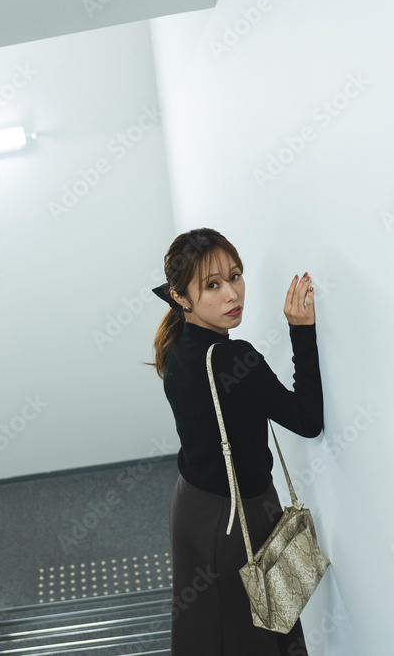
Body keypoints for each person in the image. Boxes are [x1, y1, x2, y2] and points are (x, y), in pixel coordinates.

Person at [144, 227, 324, 656]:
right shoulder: (233, 357)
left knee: (208, 627)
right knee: (257, 630)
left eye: (235, 276)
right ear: (180, 297)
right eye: (212, 285)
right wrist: (301, 330)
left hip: (193, 507)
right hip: (239, 518)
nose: (231, 294)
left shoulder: (175, 343)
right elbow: (308, 421)